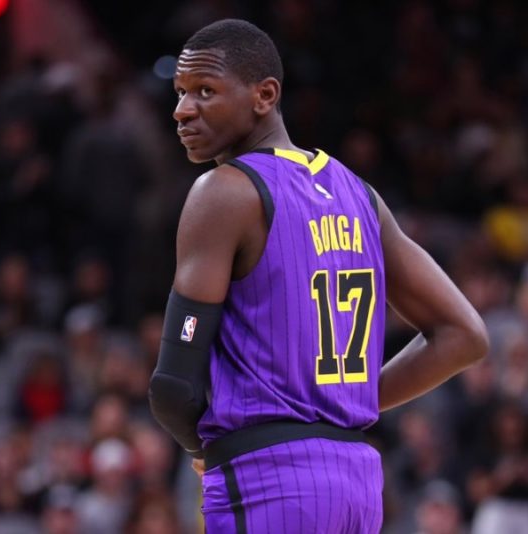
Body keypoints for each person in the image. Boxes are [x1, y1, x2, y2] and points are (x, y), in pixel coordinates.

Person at [149, 19, 489, 533]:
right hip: (356, 481)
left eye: (204, 91)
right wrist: (344, 404)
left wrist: (204, 449)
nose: (182, 109)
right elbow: (464, 335)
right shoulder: (361, 197)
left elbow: (173, 388)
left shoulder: (223, 191)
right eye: (179, 92)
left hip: (267, 478)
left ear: (264, 95)